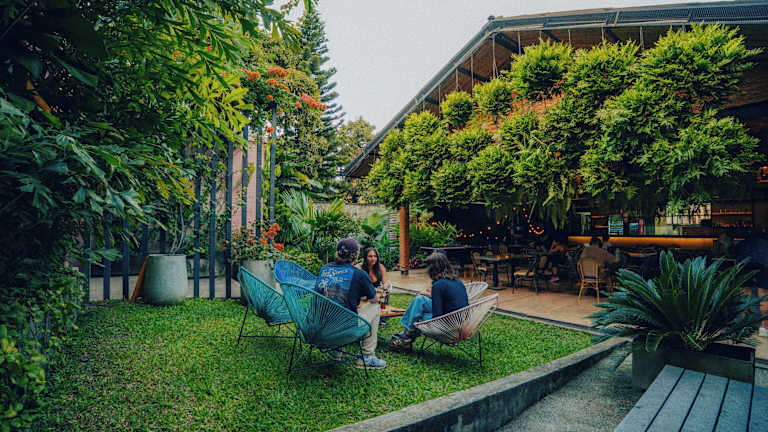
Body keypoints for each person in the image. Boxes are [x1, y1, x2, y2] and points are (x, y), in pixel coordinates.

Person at [316, 238, 386, 369]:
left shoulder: (324, 269)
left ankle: (335, 350)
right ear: (355, 255)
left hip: (320, 327)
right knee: (375, 306)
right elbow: (374, 298)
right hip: (344, 329)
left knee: (340, 309)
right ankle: (367, 356)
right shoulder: (359, 274)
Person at [387, 252, 469, 351]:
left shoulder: (438, 285)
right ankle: (407, 335)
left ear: (432, 268)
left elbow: (437, 316)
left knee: (418, 314)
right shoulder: (456, 280)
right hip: (460, 321)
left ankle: (406, 336)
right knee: (420, 300)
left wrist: (421, 321)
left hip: (448, 325)